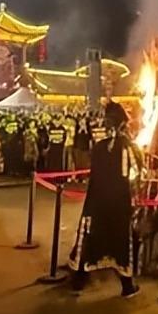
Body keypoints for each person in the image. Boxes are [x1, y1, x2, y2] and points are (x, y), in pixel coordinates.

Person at [68, 101, 139, 298]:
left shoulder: (99, 147)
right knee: (121, 240)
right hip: (119, 203)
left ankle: (78, 281)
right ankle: (127, 286)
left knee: (91, 236)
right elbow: (136, 173)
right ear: (123, 124)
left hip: (97, 200)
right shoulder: (128, 147)